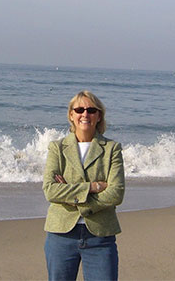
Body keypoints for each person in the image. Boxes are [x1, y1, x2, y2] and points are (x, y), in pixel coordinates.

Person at [43, 90, 125, 281]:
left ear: (99, 116)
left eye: (91, 110)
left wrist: (73, 198)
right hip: (61, 235)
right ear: (71, 115)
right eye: (79, 109)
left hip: (100, 236)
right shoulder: (57, 148)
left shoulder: (112, 149)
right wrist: (93, 187)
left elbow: (116, 193)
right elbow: (50, 190)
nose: (85, 114)